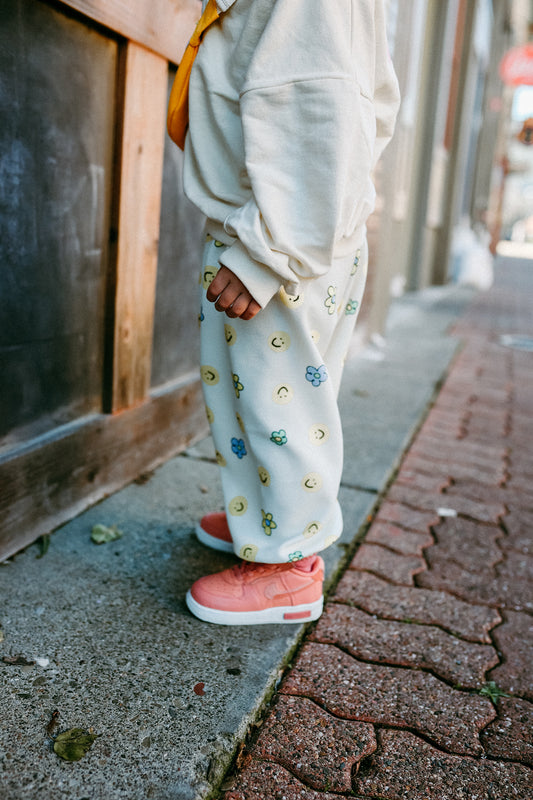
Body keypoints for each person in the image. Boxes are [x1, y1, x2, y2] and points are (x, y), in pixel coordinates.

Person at [175, 0, 400, 625]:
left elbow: (318, 119)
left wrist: (267, 254)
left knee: (280, 407)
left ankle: (288, 566)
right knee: (260, 397)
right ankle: (268, 518)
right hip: (280, 231)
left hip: (276, 240)